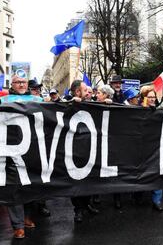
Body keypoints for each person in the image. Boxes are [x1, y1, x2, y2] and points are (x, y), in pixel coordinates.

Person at [0, 73, 43, 239]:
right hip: (10, 149)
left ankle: (27, 217)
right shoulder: (3, 101)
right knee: (14, 187)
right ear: (12, 84)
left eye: (23, 82)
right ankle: (17, 225)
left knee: (30, 185)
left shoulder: (37, 100)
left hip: (32, 149)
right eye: (17, 82)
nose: (21, 85)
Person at [67, 80, 100, 222]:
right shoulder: (68, 103)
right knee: (76, 182)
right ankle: (78, 209)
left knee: (90, 180)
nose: (88, 92)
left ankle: (87, 203)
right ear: (77, 92)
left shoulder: (92, 104)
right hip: (73, 151)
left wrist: (108, 102)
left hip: (90, 149)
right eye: (85, 90)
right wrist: (70, 103)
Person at [140, 86, 163, 211]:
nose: (152, 99)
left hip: (156, 146)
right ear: (144, 98)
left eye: (154, 97)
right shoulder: (136, 110)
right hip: (141, 146)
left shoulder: (159, 110)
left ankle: (157, 200)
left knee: (156, 173)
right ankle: (138, 194)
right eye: (149, 97)